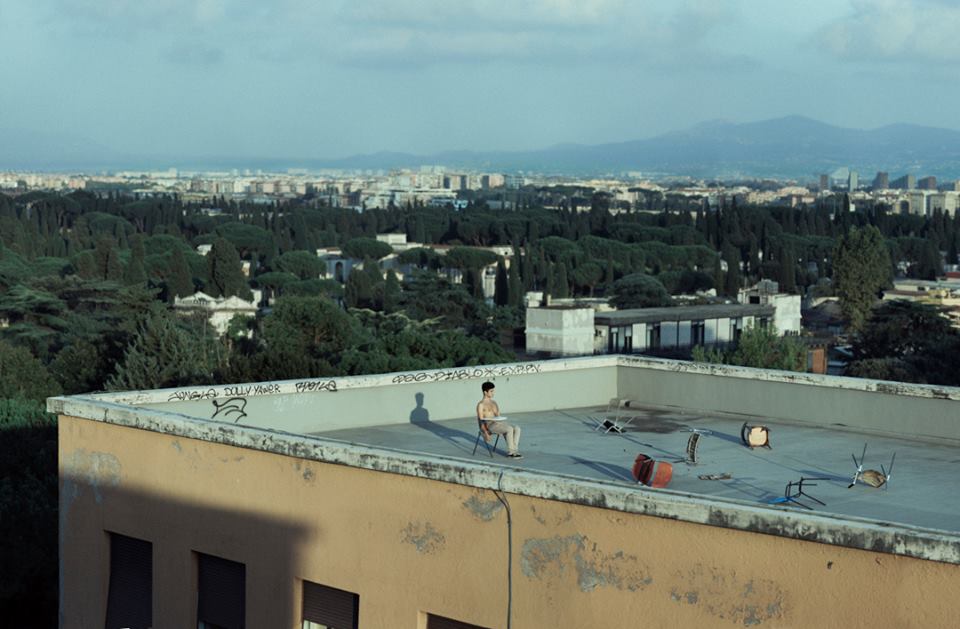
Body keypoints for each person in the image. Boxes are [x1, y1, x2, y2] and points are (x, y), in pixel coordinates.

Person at [477, 381, 522, 458]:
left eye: (493, 391)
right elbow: (480, 420)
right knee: (509, 429)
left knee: (517, 428)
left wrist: (502, 424)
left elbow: (498, 416)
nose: (493, 393)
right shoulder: (481, 405)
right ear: (485, 392)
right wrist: (485, 433)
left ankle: (514, 450)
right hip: (490, 426)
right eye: (491, 391)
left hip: (498, 424)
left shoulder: (494, 403)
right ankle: (511, 452)